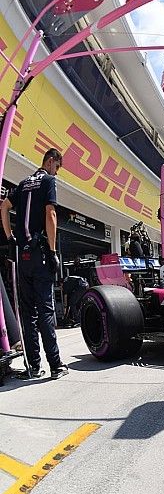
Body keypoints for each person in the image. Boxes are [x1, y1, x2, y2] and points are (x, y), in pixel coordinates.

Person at [0, 148, 68, 379]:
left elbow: (3, 207)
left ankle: (33, 367)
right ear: (51, 162)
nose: (57, 173)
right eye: (57, 167)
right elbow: (51, 215)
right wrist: (52, 251)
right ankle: (56, 365)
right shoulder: (48, 181)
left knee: (27, 315)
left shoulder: (23, 183)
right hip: (39, 254)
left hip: (23, 258)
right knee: (46, 311)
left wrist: (10, 238)